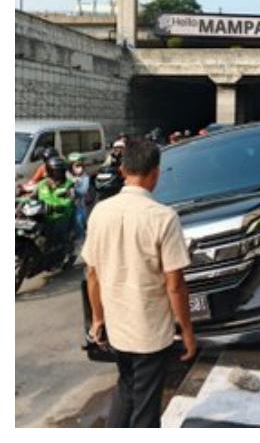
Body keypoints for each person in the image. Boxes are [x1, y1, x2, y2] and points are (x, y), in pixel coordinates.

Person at [81, 136, 195, 428]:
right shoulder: (163, 218)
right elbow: (175, 284)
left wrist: (97, 320)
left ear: (123, 171)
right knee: (145, 407)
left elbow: (92, 274)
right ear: (156, 172)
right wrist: (187, 330)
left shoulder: (100, 212)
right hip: (149, 331)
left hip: (117, 327)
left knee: (126, 387)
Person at [36, 156, 77, 255]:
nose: (57, 173)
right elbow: (32, 196)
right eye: (55, 171)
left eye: (59, 171)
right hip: (43, 214)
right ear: (50, 171)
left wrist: (59, 205)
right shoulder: (42, 184)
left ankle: (60, 252)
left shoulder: (68, 185)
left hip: (61, 216)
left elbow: (71, 200)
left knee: (57, 232)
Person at [67, 152, 94, 241]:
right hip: (66, 205)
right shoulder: (66, 175)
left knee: (79, 220)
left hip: (79, 204)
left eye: (81, 165)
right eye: (76, 165)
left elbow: (82, 191)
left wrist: (74, 185)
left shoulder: (85, 177)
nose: (79, 168)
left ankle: (80, 240)